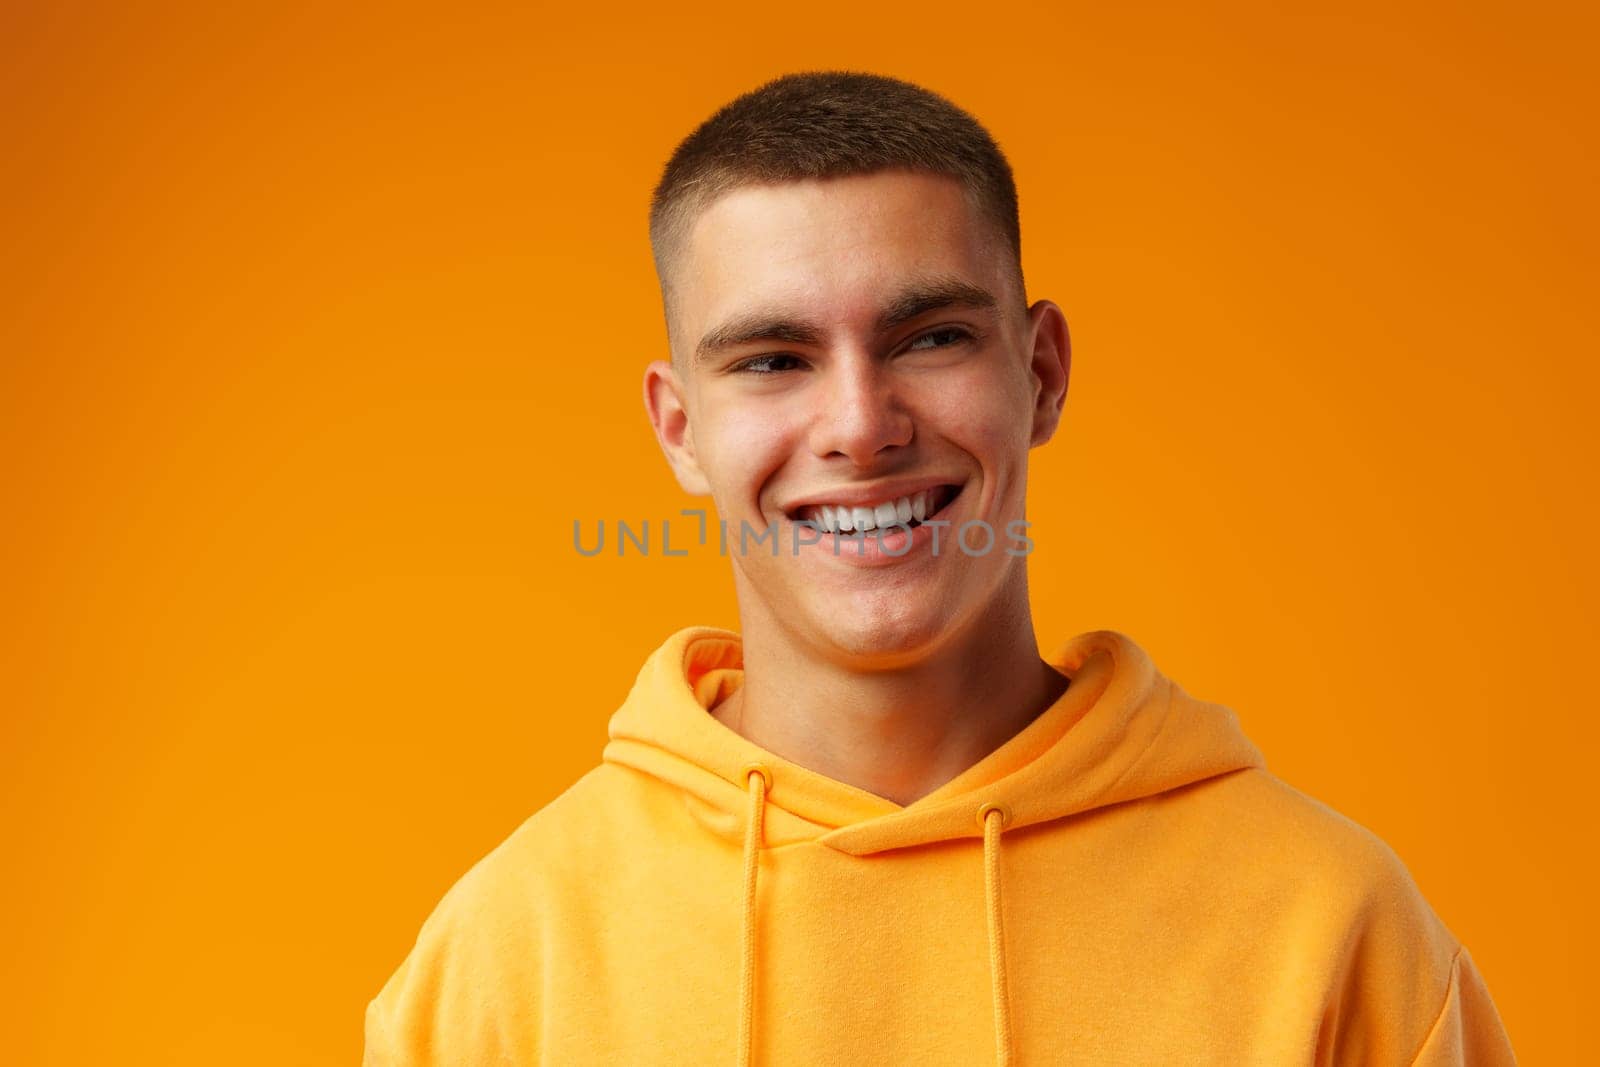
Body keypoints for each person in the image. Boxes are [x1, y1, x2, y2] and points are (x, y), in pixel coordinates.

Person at [362, 70, 1516, 1065]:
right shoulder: (501, 966)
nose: (861, 426)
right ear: (679, 431)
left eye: (930, 337)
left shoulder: (1333, 925)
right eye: (772, 358)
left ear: (1044, 371)